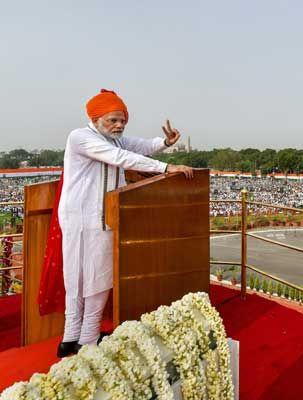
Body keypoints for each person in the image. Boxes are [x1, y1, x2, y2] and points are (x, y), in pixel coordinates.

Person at [56, 89, 194, 357]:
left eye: (122, 121)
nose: (119, 125)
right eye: (113, 120)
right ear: (96, 118)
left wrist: (164, 143)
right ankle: (71, 336)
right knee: (77, 277)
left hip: (104, 218)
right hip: (79, 218)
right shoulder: (81, 137)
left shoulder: (114, 139)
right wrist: (166, 168)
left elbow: (140, 146)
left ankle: (86, 337)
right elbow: (120, 159)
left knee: (99, 275)